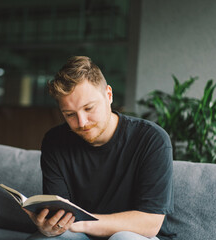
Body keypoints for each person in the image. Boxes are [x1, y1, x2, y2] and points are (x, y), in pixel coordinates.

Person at [24, 56, 175, 240]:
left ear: (109, 95)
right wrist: (50, 227)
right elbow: (60, 212)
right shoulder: (54, 141)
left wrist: (83, 224)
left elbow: (149, 223)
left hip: (137, 236)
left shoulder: (152, 139)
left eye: (89, 108)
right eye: (70, 114)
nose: (81, 122)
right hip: (81, 235)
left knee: (123, 238)